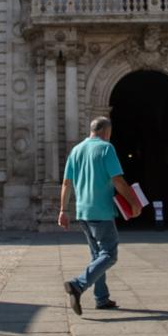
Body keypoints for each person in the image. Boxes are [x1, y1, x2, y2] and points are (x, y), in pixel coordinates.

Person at [59, 116, 141, 315]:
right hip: (101, 211)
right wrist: (134, 202)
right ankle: (78, 285)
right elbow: (118, 180)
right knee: (109, 254)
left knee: (97, 255)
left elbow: (66, 184)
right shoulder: (106, 148)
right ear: (107, 132)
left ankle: (101, 298)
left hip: (82, 211)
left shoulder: (76, 151)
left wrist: (63, 210)